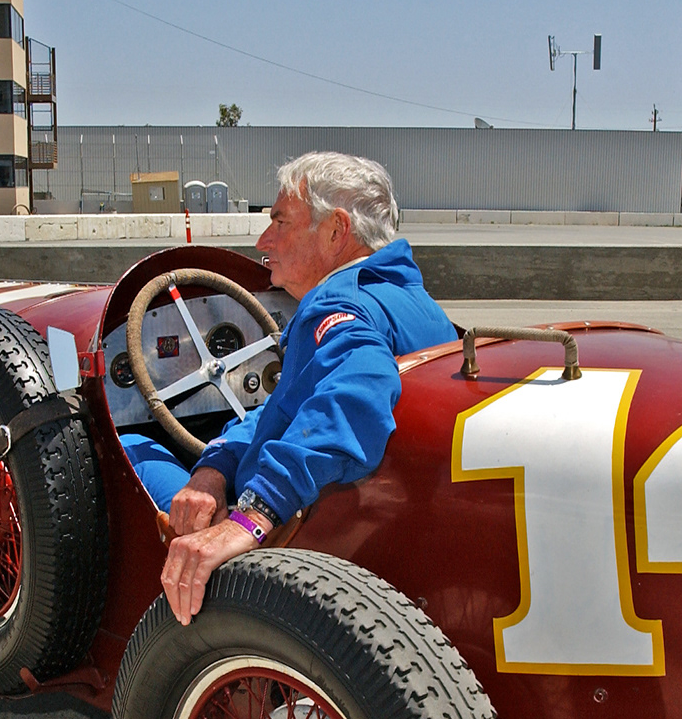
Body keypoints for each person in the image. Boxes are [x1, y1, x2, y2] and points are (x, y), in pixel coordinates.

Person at [150, 151, 456, 625]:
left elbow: (358, 390)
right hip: (383, 540)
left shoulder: (338, 304)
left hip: (296, 543)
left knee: (134, 448)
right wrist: (213, 468)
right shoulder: (414, 302)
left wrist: (251, 515)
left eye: (280, 222)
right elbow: (288, 408)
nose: (262, 239)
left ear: (336, 231)